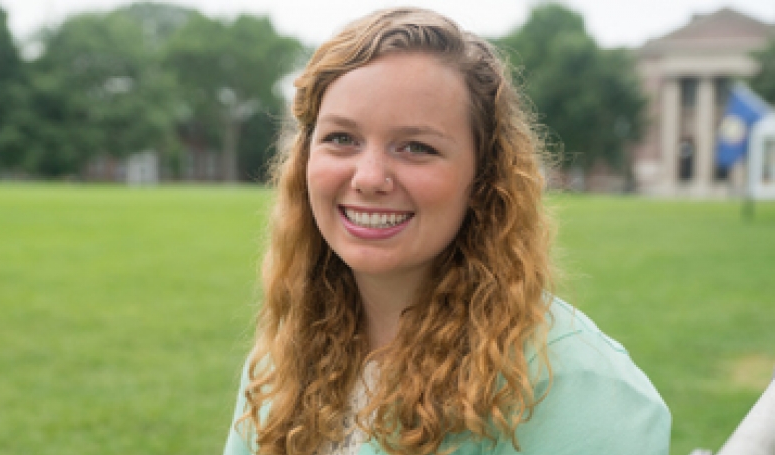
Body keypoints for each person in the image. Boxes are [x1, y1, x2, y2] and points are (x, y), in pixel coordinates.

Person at [223, 7, 671, 455]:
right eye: (342, 139)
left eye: (416, 147)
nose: (368, 177)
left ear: (483, 179)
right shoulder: (282, 358)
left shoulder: (576, 386)